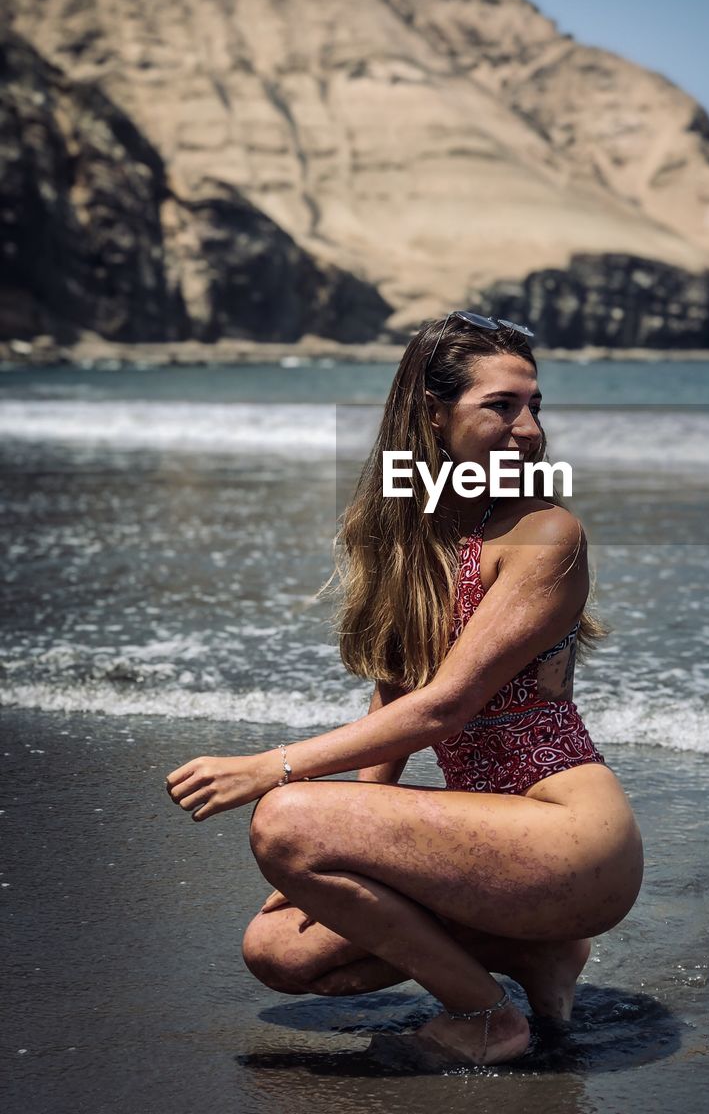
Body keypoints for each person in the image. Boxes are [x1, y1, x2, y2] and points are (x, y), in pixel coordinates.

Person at [166, 312, 644, 1065]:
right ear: (431, 414)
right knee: (277, 950)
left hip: (573, 840)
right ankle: (540, 953)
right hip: (492, 841)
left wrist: (277, 772)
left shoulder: (546, 533)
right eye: (501, 406)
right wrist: (333, 851)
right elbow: (396, 693)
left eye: (535, 406)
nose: (529, 430)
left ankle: (486, 1015)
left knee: (283, 818)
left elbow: (445, 705)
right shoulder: (414, 535)